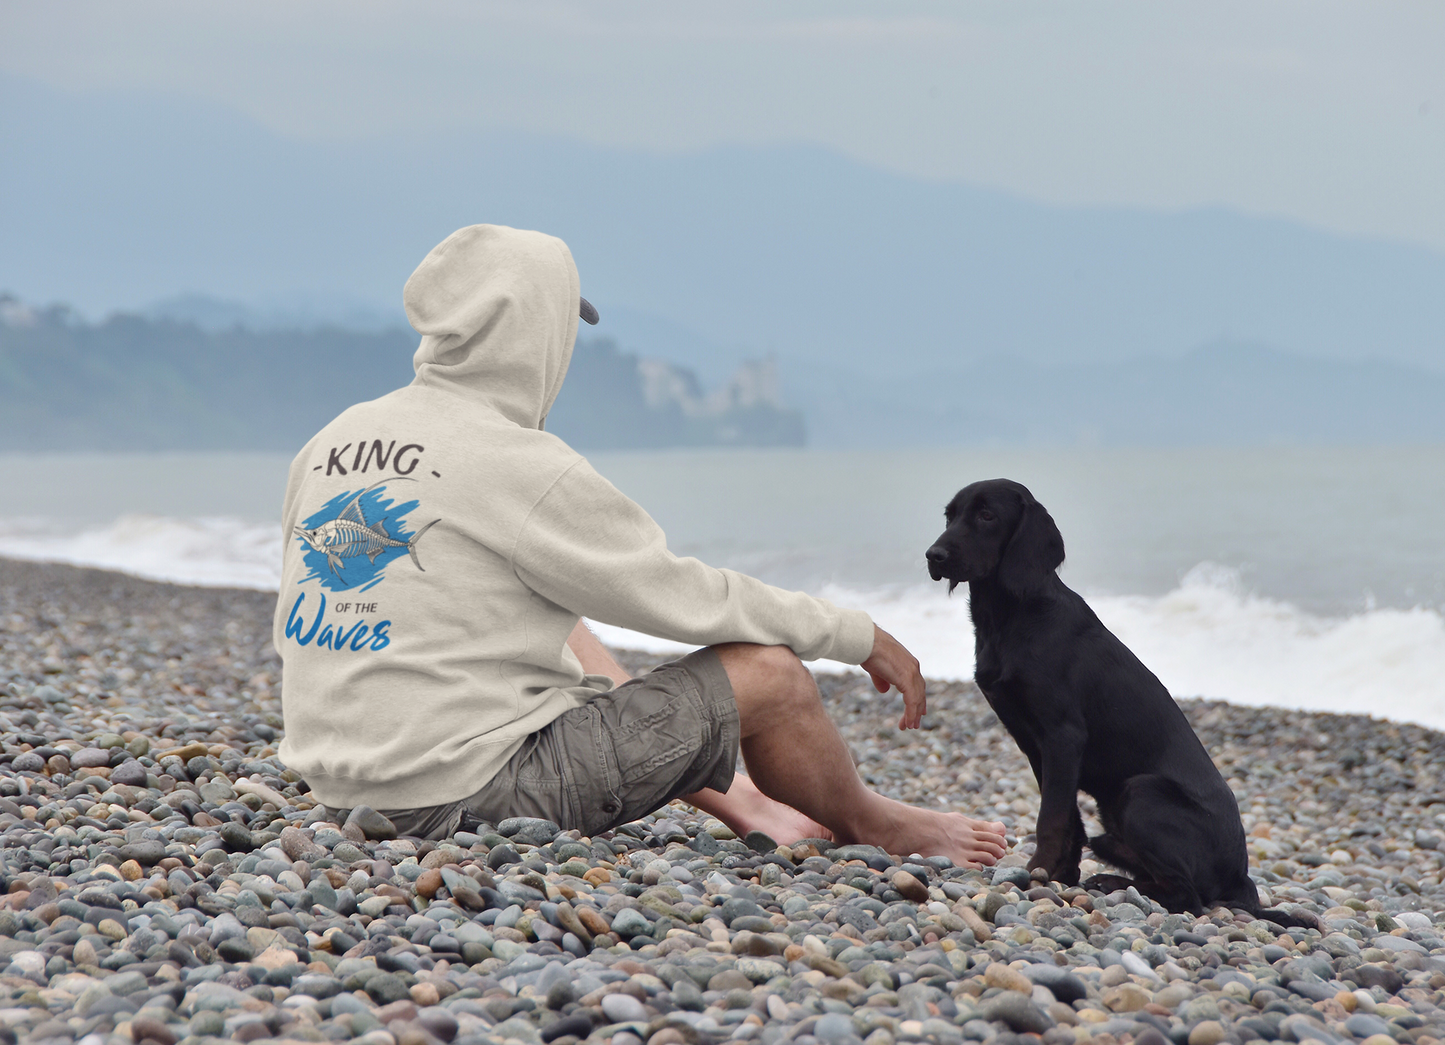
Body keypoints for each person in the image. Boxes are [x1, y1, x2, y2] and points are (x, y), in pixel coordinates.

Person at [273, 224, 1006, 867]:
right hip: (467, 797)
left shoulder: (331, 440)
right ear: (533, 332)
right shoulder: (519, 463)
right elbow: (685, 598)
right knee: (771, 673)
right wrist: (853, 632)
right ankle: (874, 822)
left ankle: (746, 801)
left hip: (343, 791)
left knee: (550, 607)